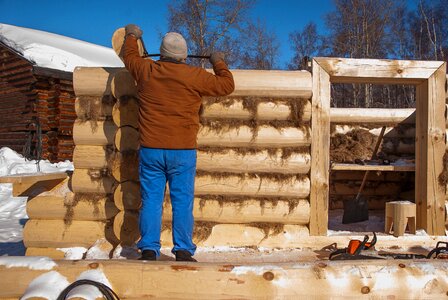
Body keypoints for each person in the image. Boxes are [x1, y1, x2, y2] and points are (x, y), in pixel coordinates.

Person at [122, 24, 235, 261]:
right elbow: (226, 85)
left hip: (151, 149)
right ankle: (183, 249)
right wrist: (218, 62)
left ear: (162, 53)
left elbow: (129, 55)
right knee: (182, 201)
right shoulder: (195, 76)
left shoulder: (146, 69)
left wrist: (132, 35)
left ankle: (150, 249)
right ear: (184, 55)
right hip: (182, 152)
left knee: (151, 200)